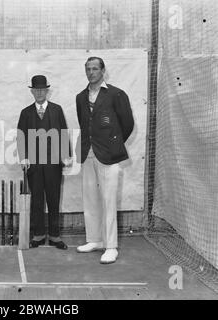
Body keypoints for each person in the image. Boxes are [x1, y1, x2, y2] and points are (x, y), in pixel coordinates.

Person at [75, 57, 134, 264]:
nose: (91, 72)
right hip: (88, 153)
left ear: (103, 71)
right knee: (90, 198)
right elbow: (84, 125)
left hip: (109, 155)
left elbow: (127, 124)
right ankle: (95, 240)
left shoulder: (116, 94)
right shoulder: (80, 97)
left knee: (109, 201)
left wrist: (113, 145)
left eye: (94, 69)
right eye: (88, 69)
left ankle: (111, 246)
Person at [17, 75, 72, 250]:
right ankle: (39, 234)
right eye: (36, 89)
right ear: (32, 91)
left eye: (42, 89)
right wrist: (23, 157)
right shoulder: (25, 113)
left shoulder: (56, 110)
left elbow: (63, 132)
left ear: (47, 91)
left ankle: (55, 236)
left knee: (54, 198)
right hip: (34, 164)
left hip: (53, 163)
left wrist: (66, 155)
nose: (39, 92)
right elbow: (21, 136)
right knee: (37, 200)